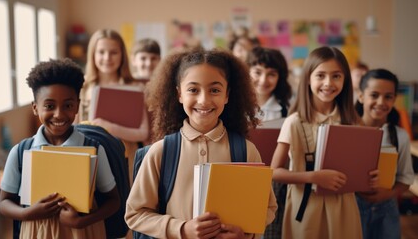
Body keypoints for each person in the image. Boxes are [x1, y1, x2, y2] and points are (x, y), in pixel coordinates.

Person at [125, 48, 277, 238]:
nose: (204, 100)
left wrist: (245, 234)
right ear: (179, 94)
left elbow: (267, 208)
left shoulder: (247, 151)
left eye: (214, 90)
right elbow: (135, 214)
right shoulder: (161, 152)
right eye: (193, 90)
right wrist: (181, 229)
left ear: (227, 95)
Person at [0, 58, 120, 238]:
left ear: (77, 106)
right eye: (49, 106)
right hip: (36, 231)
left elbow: (113, 200)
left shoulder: (93, 149)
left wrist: (81, 221)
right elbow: (4, 203)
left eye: (68, 105)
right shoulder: (20, 151)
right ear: (35, 107)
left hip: (83, 231)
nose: (59, 114)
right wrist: (28, 213)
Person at [271, 46, 377, 239]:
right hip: (305, 209)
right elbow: (274, 172)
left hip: (343, 208)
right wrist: (314, 177)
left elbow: (360, 168)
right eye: (320, 75)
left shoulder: (353, 122)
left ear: (345, 80)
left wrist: (369, 177)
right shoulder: (294, 122)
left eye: (336, 76)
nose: (328, 83)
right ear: (308, 79)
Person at [79, 29, 149, 182]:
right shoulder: (82, 87)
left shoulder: (136, 87)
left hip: (125, 161)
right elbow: (74, 128)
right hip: (90, 160)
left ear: (122, 55)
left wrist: (106, 126)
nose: (107, 58)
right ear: (93, 54)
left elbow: (143, 133)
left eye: (113, 52)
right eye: (101, 52)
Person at [355, 69, 415, 239]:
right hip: (353, 208)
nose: (381, 102)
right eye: (374, 95)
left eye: (388, 96)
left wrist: (387, 194)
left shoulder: (400, 136)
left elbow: (406, 178)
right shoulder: (347, 132)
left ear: (394, 99)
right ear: (361, 96)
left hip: (387, 210)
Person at [246, 46, 292, 239]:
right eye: (257, 72)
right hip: (243, 174)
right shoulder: (233, 105)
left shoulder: (287, 109)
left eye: (271, 74)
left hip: (274, 180)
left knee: (271, 229)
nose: (264, 80)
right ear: (247, 72)